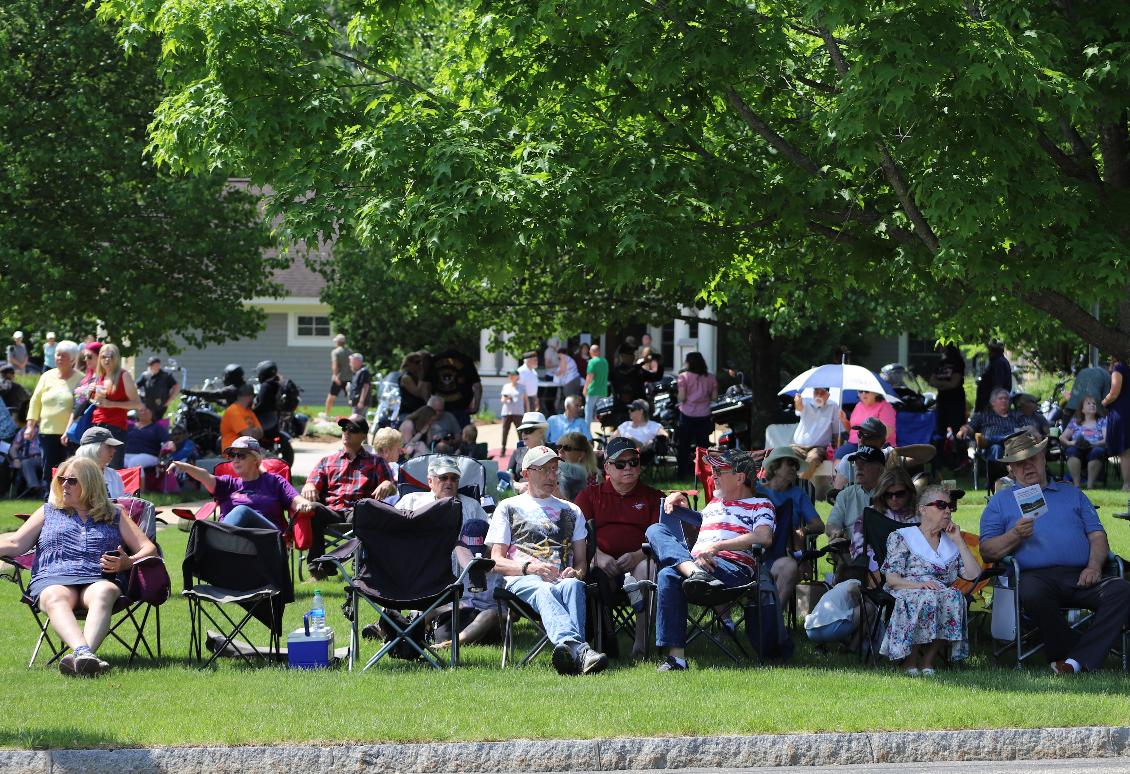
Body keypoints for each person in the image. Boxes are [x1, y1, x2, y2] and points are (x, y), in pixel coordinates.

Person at [980, 429, 1130, 673]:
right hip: (1033, 577)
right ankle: (1077, 656)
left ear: (1043, 459)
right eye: (1020, 463)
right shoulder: (1000, 502)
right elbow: (987, 551)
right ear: (1011, 470)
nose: (1027, 467)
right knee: (1032, 590)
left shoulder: (1072, 494)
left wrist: (1093, 566)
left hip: (1081, 573)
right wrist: (1014, 535)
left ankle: (1073, 660)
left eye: (1032, 459)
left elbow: (1097, 536)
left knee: (1121, 590)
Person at [0, 457, 158, 677]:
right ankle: (85, 655)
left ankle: (82, 657)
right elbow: (15, 543)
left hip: (99, 576)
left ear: (90, 484)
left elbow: (148, 548)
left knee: (104, 592)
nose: (64, 484)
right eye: (62, 479)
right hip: (53, 577)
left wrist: (127, 562)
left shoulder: (114, 514)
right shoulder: (48, 511)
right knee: (55, 596)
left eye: (72, 481)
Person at [485, 445, 609, 675]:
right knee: (543, 590)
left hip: (561, 579)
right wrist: (529, 567)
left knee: (573, 585)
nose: (551, 476)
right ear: (525, 474)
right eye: (543, 470)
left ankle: (575, 658)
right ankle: (580, 649)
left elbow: (582, 561)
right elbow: (496, 561)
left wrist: (577, 573)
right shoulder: (509, 507)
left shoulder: (572, 511)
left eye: (554, 469)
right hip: (521, 578)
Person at [648, 450, 775, 671]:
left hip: (732, 571)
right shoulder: (714, 505)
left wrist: (718, 547)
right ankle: (677, 659)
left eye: (719, 471)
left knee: (667, 573)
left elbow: (764, 537)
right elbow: (697, 529)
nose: (713, 475)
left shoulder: (760, 504)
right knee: (655, 530)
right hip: (697, 567)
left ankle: (692, 572)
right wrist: (679, 504)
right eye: (712, 470)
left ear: (740, 477)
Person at [397, 455, 502, 648]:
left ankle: (408, 629)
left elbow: (487, 542)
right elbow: (393, 532)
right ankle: (397, 626)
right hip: (420, 575)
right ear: (430, 481)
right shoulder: (411, 501)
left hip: (463, 579)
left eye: (454, 478)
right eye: (443, 477)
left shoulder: (471, 506)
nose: (449, 482)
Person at [574, 438, 662, 659]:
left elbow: (662, 538)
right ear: (607, 468)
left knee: (647, 570)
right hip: (602, 565)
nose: (629, 468)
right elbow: (577, 537)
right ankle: (605, 641)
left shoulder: (654, 497)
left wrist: (638, 555)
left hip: (641, 562)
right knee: (596, 575)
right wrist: (597, 556)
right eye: (621, 464)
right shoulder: (590, 496)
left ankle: (640, 645)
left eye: (633, 462)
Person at [880, 484, 981, 675]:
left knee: (953, 596)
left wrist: (959, 541)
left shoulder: (950, 541)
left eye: (950, 506)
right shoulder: (902, 537)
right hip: (907, 587)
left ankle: (927, 661)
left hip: (939, 590)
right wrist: (919, 585)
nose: (948, 510)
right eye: (941, 505)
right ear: (923, 510)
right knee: (926, 597)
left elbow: (974, 575)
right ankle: (909, 660)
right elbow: (892, 579)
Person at [300, 417, 396, 575]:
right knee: (313, 509)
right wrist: (309, 485)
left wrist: (387, 484)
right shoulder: (327, 461)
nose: (346, 432)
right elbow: (312, 482)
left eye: (352, 429)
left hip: (358, 511)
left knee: (365, 510)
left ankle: (358, 560)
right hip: (332, 511)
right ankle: (319, 564)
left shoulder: (376, 462)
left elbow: (391, 487)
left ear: (364, 435)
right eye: (344, 428)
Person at [170, 436, 314, 532]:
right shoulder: (228, 484)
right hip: (235, 540)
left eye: (241, 455)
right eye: (233, 455)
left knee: (241, 511)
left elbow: (296, 501)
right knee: (201, 529)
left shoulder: (274, 482)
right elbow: (204, 475)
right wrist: (184, 466)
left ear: (255, 459)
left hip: (266, 538)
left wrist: (303, 504)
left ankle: (216, 538)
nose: (236, 460)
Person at [755, 447, 824, 605]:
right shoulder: (756, 490)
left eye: (796, 465)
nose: (794, 468)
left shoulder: (798, 494)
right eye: (790, 464)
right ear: (775, 467)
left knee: (789, 567)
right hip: (758, 550)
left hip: (785, 552)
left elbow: (819, 525)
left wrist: (803, 530)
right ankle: (766, 616)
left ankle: (772, 618)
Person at [826, 446, 888, 574]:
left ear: (880, 469)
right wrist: (835, 531)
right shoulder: (846, 494)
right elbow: (831, 524)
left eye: (865, 463)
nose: (859, 467)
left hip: (885, 552)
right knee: (837, 543)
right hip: (851, 551)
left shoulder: (893, 494)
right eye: (857, 463)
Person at [24, 339, 81, 476]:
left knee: (69, 472)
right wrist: (30, 426)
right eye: (57, 354)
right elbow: (35, 401)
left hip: (70, 435)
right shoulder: (46, 376)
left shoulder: (81, 379)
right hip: (47, 432)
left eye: (64, 356)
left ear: (73, 359)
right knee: (49, 471)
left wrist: (69, 430)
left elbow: (79, 408)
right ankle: (48, 498)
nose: (59, 358)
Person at [88, 343, 142, 468]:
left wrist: (111, 404)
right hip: (97, 424)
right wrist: (91, 393)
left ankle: (114, 488)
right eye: (103, 357)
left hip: (115, 427)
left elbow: (137, 404)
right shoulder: (99, 376)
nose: (106, 359)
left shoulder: (124, 376)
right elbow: (97, 402)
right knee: (95, 466)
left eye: (110, 356)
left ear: (116, 358)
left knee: (113, 468)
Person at [676, 352, 718, 478]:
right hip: (704, 414)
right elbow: (714, 397)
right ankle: (705, 474)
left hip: (687, 414)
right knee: (703, 446)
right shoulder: (710, 377)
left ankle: (682, 473)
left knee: (683, 445)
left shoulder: (683, 376)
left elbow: (682, 397)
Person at [791, 387, 842, 486]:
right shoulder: (805, 401)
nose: (818, 395)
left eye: (822, 393)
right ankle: (777, 488)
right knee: (783, 454)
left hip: (818, 448)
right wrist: (797, 401)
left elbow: (837, 432)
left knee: (813, 458)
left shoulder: (833, 406)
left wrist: (838, 450)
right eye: (816, 392)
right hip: (798, 446)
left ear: (828, 395)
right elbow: (799, 408)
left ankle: (798, 487)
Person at [957, 387, 1023, 461]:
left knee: (1013, 441)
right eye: (1001, 398)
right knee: (996, 447)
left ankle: (987, 441)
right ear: (992, 402)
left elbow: (1026, 428)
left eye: (1006, 398)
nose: (1004, 400)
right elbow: (970, 427)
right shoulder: (983, 416)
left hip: (1014, 445)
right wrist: (964, 430)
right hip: (990, 449)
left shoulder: (1016, 416)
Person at [928, 344, 967, 466]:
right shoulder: (941, 362)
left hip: (956, 402)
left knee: (957, 432)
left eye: (942, 344)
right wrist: (946, 383)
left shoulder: (958, 362)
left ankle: (962, 462)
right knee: (940, 432)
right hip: (942, 401)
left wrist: (940, 384)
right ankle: (939, 462)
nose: (939, 346)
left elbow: (954, 383)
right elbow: (931, 381)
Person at [426, 348, 482, 428]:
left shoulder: (434, 360)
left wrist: (428, 404)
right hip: (460, 407)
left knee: (439, 436)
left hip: (439, 408)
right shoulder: (466, 360)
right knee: (463, 436)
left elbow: (425, 385)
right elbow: (477, 386)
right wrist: (476, 406)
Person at [834, 389, 896, 460]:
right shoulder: (858, 406)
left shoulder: (885, 406)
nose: (863, 394)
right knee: (839, 457)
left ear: (875, 393)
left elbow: (887, 432)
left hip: (876, 445)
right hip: (855, 444)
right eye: (860, 391)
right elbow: (851, 431)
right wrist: (844, 420)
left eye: (866, 391)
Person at [1061, 396, 1108, 490]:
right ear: (1082, 409)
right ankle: (1076, 484)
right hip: (1077, 447)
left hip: (1094, 447)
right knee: (1071, 451)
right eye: (1089, 403)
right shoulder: (1075, 422)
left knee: (1097, 452)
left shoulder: (1102, 421)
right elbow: (1062, 437)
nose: (1092, 405)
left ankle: (1090, 485)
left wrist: (1092, 443)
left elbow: (1106, 439)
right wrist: (1071, 443)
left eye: (1094, 404)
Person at [1101, 355, 1130, 491]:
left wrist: (1103, 403)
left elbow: (1114, 392)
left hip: (1123, 413)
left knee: (1125, 451)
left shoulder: (1119, 368)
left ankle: (1127, 484)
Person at [75, 427, 127, 498]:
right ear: (93, 448)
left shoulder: (114, 475)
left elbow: (122, 503)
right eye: (109, 446)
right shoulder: (72, 474)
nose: (114, 450)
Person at [613, 399, 666, 464]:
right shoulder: (625, 425)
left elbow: (663, 436)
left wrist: (652, 441)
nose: (629, 411)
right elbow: (612, 438)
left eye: (632, 410)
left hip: (642, 453)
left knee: (630, 439)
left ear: (641, 411)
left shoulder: (653, 425)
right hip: (621, 452)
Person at [122, 405, 171, 470]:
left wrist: (170, 445)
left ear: (152, 412)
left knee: (134, 463)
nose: (143, 412)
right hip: (127, 454)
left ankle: (140, 480)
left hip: (149, 455)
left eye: (146, 410)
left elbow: (167, 442)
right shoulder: (129, 426)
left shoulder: (157, 427)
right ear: (137, 413)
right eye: (141, 410)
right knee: (115, 462)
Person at [507, 411, 549, 486]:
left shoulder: (553, 451)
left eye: (528, 430)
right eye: (522, 431)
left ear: (541, 432)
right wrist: (518, 486)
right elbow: (508, 478)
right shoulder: (517, 452)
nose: (523, 434)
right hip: (521, 495)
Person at [219, 383, 262, 452]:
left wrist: (250, 431)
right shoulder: (233, 411)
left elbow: (261, 433)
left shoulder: (249, 411)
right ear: (250, 397)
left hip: (247, 452)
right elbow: (248, 435)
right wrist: (253, 430)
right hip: (233, 454)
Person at [135, 357, 179, 421]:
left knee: (155, 423)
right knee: (144, 423)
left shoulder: (165, 375)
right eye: (151, 365)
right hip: (147, 406)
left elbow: (176, 386)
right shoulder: (145, 375)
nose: (152, 367)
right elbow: (135, 386)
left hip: (160, 406)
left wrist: (170, 400)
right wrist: (136, 398)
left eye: (156, 365)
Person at [181, 363, 245, 408]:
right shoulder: (244, 387)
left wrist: (190, 392)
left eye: (226, 376)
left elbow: (214, 393)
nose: (224, 378)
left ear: (231, 377)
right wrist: (216, 401)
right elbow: (230, 404)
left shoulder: (233, 390)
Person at [975, 341, 1012, 413]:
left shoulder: (998, 363)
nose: (988, 352)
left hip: (990, 404)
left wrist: (992, 403)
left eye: (990, 349)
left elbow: (998, 384)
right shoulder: (999, 362)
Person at [370, 427, 405, 505]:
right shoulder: (389, 467)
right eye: (398, 449)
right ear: (386, 451)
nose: (400, 453)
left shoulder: (394, 466)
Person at [324, 334, 353, 418]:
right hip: (349, 378)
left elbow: (335, 365)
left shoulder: (335, 352)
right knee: (350, 397)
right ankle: (353, 414)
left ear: (338, 342)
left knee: (331, 396)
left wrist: (335, 375)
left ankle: (326, 414)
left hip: (339, 378)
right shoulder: (350, 352)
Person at [498, 369, 527, 454]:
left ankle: (522, 449)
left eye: (512, 375)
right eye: (509, 375)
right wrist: (506, 399)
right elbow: (502, 399)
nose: (510, 377)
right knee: (505, 431)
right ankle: (503, 449)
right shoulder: (506, 386)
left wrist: (527, 411)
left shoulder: (522, 387)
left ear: (517, 376)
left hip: (518, 412)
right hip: (507, 412)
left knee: (520, 431)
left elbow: (526, 400)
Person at [582, 343, 609, 430]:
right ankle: (602, 431)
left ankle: (587, 432)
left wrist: (585, 388)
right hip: (603, 390)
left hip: (593, 390)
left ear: (591, 352)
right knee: (602, 412)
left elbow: (589, 377)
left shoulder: (592, 361)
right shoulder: (605, 361)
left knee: (588, 412)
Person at [397, 352, 430, 417]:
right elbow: (419, 393)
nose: (420, 364)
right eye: (417, 362)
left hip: (420, 411)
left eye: (422, 362)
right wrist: (422, 377)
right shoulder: (406, 377)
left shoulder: (417, 376)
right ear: (409, 363)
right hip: (408, 413)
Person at [347, 352, 372, 418]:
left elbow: (366, 386)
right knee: (358, 420)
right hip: (356, 401)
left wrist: (361, 401)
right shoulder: (356, 372)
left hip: (361, 402)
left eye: (351, 361)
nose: (350, 364)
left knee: (356, 420)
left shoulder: (364, 372)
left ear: (358, 361)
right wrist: (350, 399)